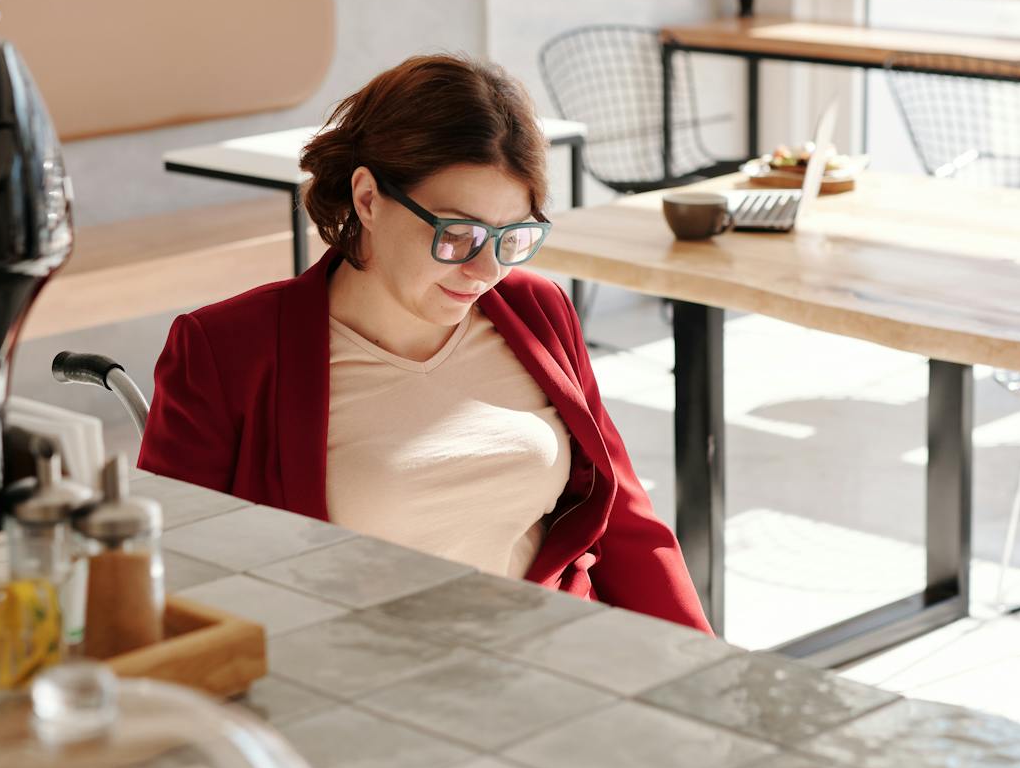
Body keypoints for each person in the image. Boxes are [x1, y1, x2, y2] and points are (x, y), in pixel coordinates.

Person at [137, 53, 709, 633]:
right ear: (367, 199)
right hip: (352, 682)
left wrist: (703, 673)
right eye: (458, 234)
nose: (486, 270)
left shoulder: (534, 309)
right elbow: (172, 569)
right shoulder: (225, 349)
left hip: (549, 657)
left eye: (512, 237)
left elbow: (626, 522)